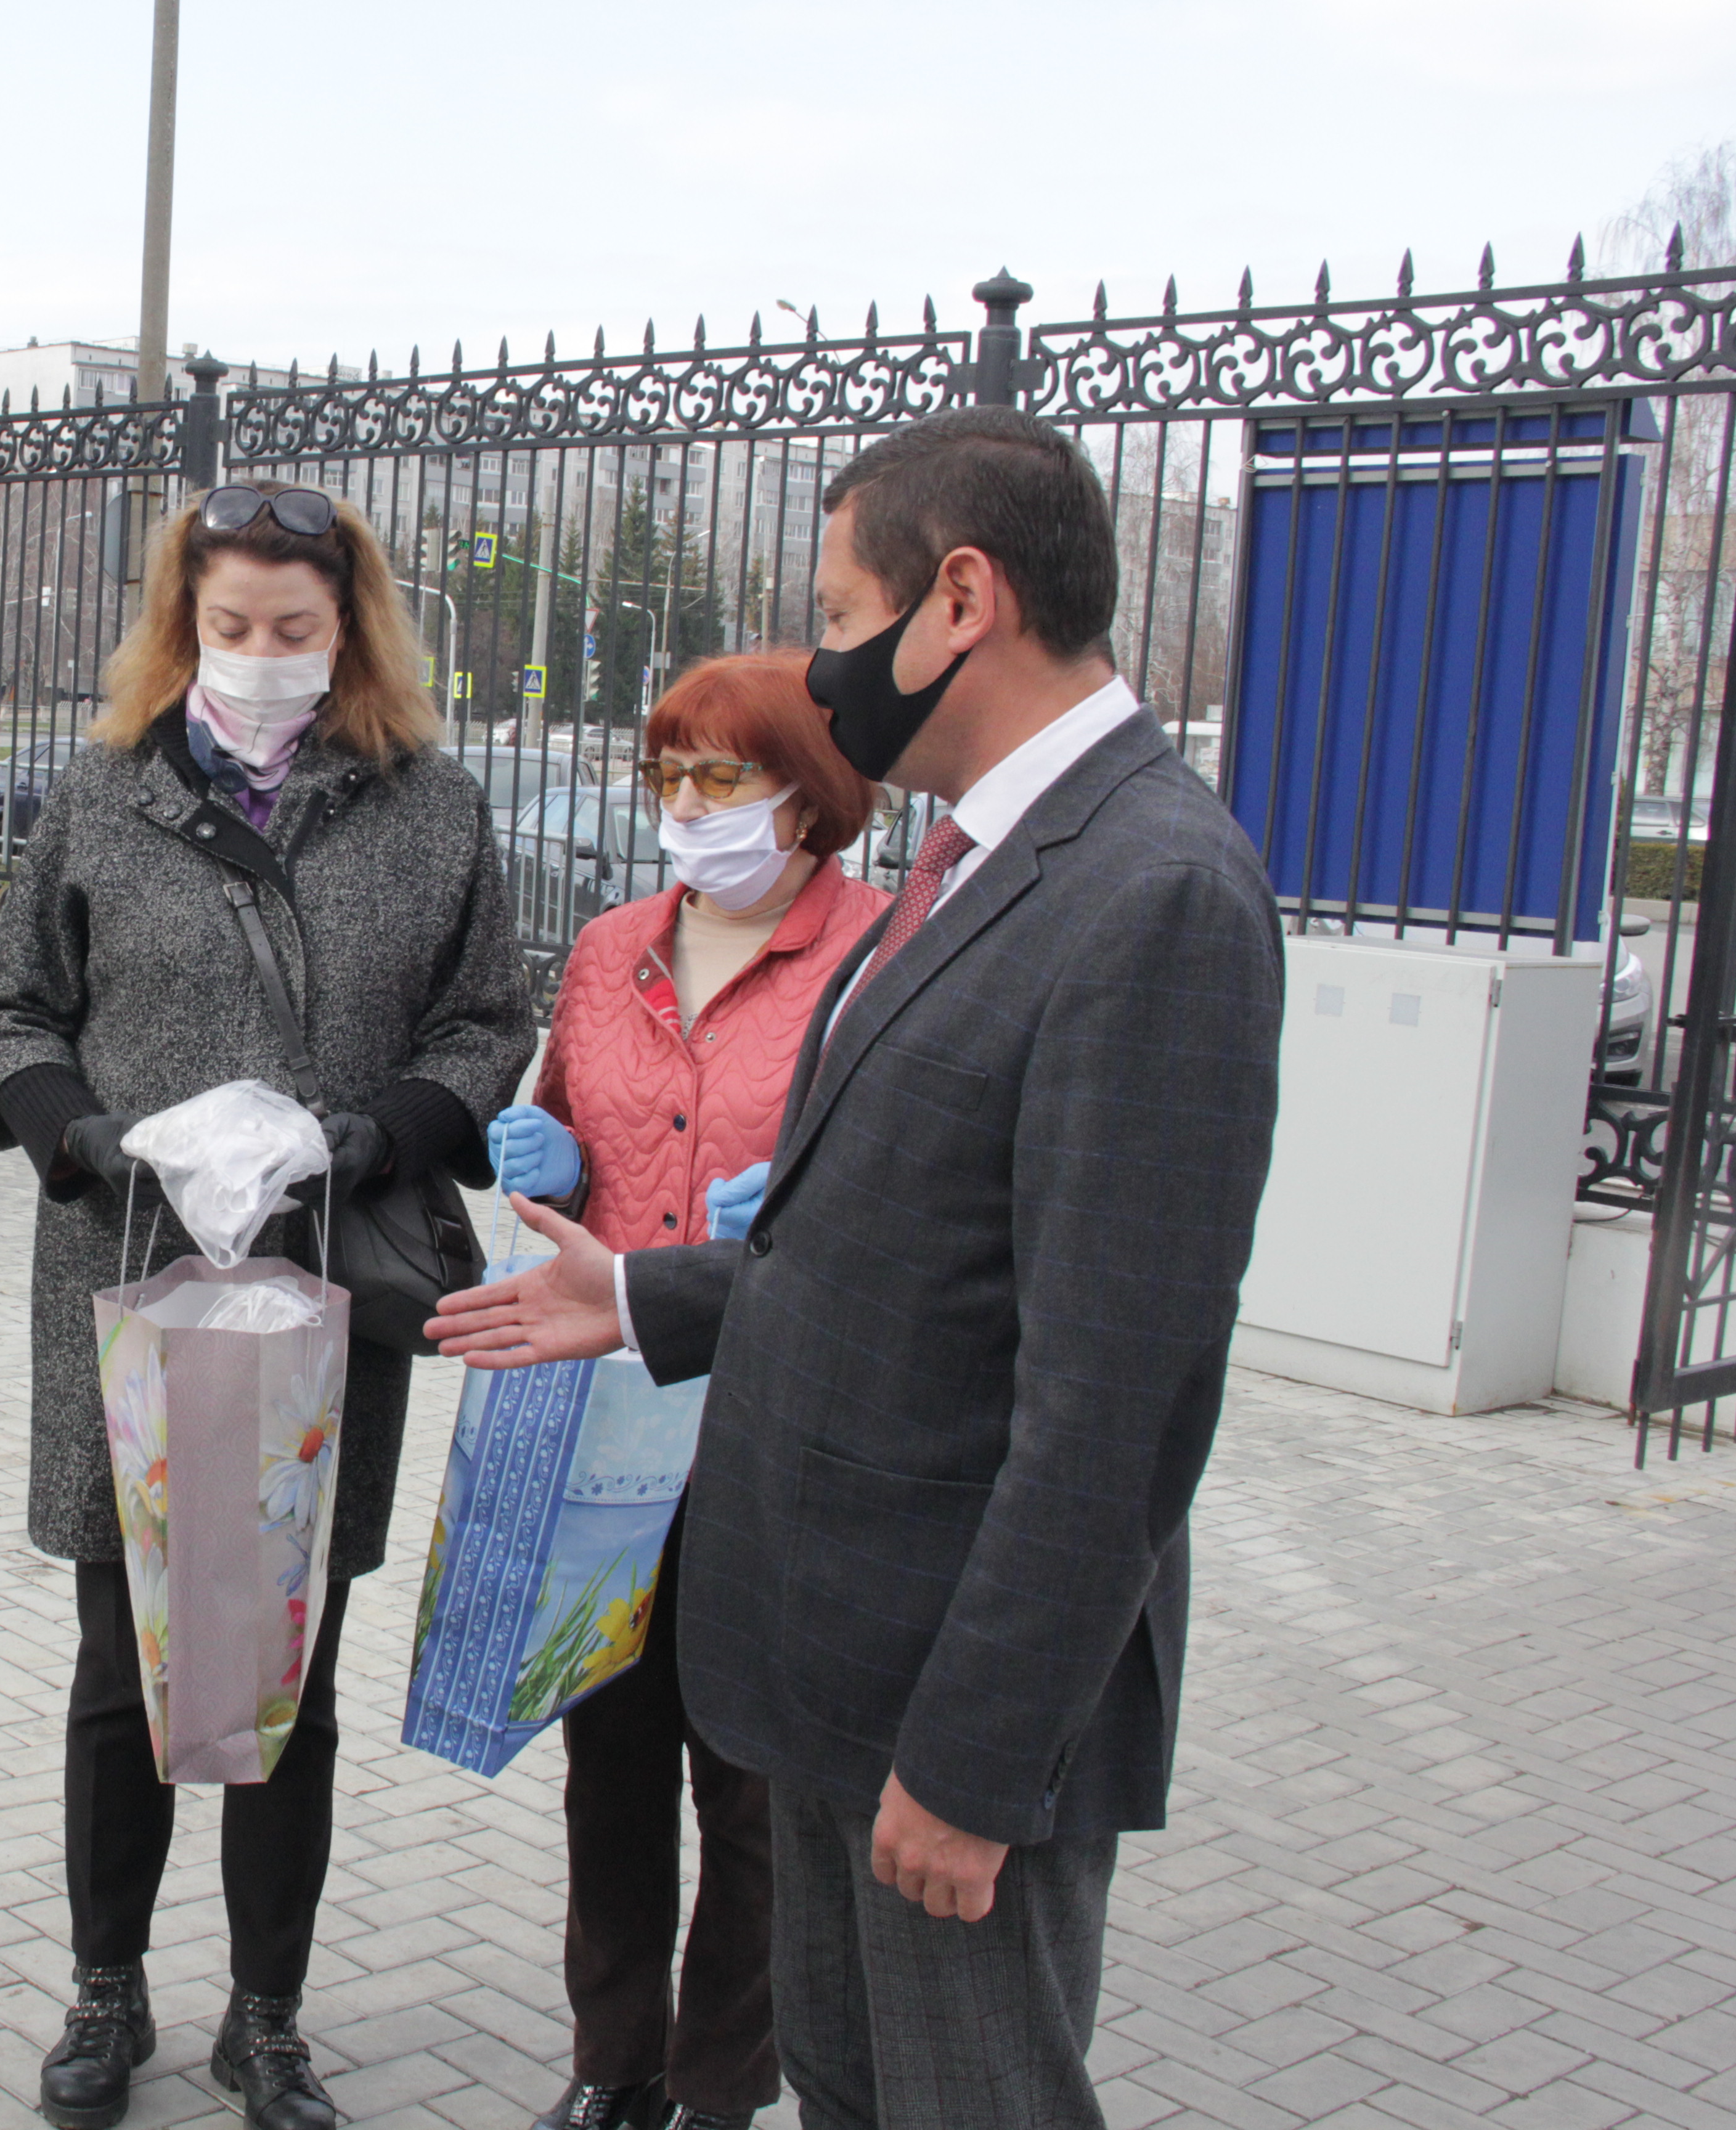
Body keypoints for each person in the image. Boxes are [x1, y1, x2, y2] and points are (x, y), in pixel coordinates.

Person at [428, 407, 1285, 2130]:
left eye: (838, 615)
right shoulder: (971, 864)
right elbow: (885, 1258)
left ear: (960, 599)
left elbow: (1117, 1404)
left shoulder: (1152, 891)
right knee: (850, 2090)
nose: (824, 667)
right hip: (830, 1674)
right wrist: (638, 1296)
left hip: (946, 1719)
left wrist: (976, 1763)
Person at [0, 482, 535, 2130]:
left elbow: (489, 1024)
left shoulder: (433, 811)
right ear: (181, 625)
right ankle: (107, 1991)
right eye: (230, 627)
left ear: (350, 629)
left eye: (296, 628)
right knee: (120, 1670)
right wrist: (82, 1134)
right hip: (130, 1278)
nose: (262, 656)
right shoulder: (104, 792)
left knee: (292, 1666)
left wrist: (372, 1134)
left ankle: (265, 2017)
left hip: (319, 1289)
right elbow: (6, 1011)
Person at [484, 650, 888, 2130]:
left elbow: (918, 1182)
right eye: (668, 778)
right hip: (612, 1408)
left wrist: (818, 1200)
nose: (689, 809)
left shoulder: (881, 953)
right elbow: (561, 1124)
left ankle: (724, 2082)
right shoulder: (612, 948)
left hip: (775, 1418)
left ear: (810, 795)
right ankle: (616, 2065)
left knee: (754, 1791)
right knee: (610, 1759)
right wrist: (543, 1156)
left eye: (725, 778)